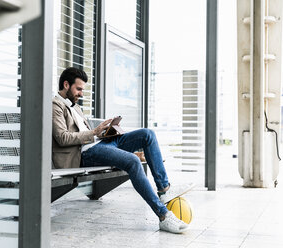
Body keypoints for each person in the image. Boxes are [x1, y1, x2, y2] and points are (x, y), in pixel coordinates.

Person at [52, 67, 195, 234]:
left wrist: (105, 133)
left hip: (100, 145)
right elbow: (62, 137)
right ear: (66, 84)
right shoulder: (55, 105)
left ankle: (164, 189)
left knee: (147, 134)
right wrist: (94, 132)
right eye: (79, 89)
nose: (81, 94)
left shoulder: (75, 107)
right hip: (85, 154)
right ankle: (163, 216)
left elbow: (85, 134)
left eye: (82, 89)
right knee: (133, 162)